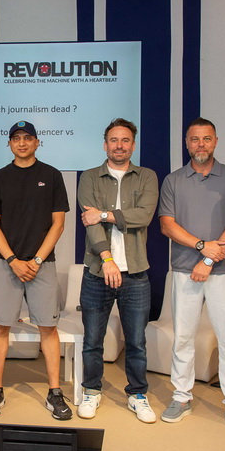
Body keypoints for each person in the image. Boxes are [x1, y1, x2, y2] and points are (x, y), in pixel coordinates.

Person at [157, 117, 225, 434]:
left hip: (223, 271)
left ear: (215, 141)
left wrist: (209, 259)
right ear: (187, 143)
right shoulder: (173, 180)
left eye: (206, 138)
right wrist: (201, 246)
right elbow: (167, 225)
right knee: (183, 338)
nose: (201, 144)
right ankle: (181, 397)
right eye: (195, 139)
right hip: (184, 269)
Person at [0, 120, 72, 420]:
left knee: (48, 328)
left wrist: (36, 261)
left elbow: (58, 224)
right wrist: (13, 260)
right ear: (9, 143)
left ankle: (55, 392)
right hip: (6, 264)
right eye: (16, 138)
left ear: (37, 142)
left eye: (28, 138)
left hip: (42, 266)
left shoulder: (52, 175)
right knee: (0, 326)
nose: (22, 143)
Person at [75, 118, 159, 423]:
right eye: (113, 140)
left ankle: (137, 394)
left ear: (133, 145)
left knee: (136, 341)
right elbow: (90, 224)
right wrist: (108, 259)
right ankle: (91, 390)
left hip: (135, 273)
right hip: (98, 271)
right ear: (105, 144)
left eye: (125, 140)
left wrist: (104, 214)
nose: (119, 145)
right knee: (92, 341)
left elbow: (144, 216)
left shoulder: (147, 176)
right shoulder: (90, 177)